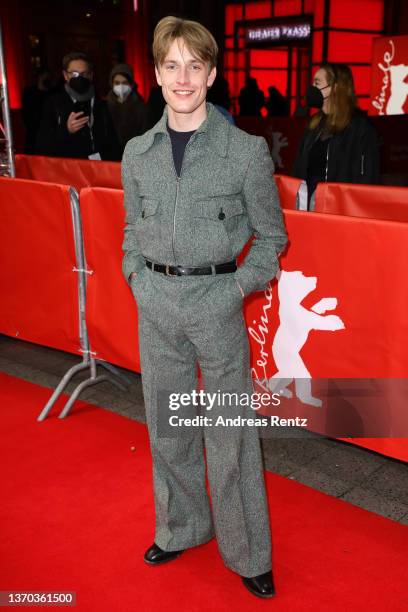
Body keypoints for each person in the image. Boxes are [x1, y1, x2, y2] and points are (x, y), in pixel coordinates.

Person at [121, 16, 287, 599]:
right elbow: (129, 227)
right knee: (168, 428)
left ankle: (248, 553)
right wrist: (135, 276)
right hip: (156, 305)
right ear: (159, 75)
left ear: (212, 75)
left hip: (216, 305)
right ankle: (182, 527)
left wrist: (234, 290)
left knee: (229, 431)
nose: (183, 77)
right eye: (172, 65)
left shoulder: (244, 152)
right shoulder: (137, 152)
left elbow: (271, 240)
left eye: (195, 65)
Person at [293, 63, 380, 207]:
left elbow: (368, 178)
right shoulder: (313, 126)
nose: (312, 88)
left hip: (339, 209)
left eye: (317, 83)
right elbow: (298, 170)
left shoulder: (360, 128)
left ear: (335, 87)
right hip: (308, 207)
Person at [36, 51, 120, 160]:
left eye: (84, 74)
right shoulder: (53, 104)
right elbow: (42, 146)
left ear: (91, 75)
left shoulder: (101, 104)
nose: (80, 78)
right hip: (70, 169)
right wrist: (66, 130)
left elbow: (112, 141)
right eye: (74, 74)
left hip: (99, 168)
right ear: (65, 75)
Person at [106, 63, 150, 155]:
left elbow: (146, 135)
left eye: (124, 83)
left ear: (131, 84)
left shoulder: (141, 107)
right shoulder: (104, 106)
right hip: (110, 157)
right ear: (112, 83)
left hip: (134, 156)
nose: (121, 86)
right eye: (117, 83)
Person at [22, 68, 53, 154]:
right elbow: (26, 113)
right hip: (33, 132)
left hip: (48, 133)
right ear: (40, 77)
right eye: (45, 75)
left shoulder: (52, 93)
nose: (48, 78)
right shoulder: (29, 92)